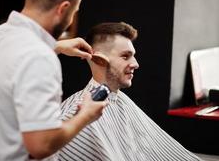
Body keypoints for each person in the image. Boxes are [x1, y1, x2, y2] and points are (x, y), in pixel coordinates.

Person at [0, 0, 107, 161]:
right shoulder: (39, 57)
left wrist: (57, 46)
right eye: (73, 12)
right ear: (63, 8)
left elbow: (13, 63)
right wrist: (86, 116)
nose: (70, 20)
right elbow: (41, 145)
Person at [53, 22, 202, 161]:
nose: (135, 64)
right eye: (125, 56)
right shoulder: (75, 115)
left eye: (133, 56)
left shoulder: (118, 100)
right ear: (99, 59)